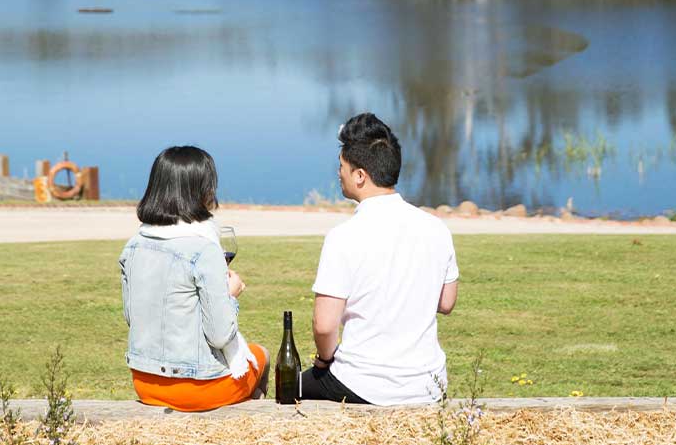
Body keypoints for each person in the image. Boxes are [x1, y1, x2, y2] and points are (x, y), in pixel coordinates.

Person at [302, 112, 459, 404]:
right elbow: (446, 303)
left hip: (362, 385)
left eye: (342, 168)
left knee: (292, 387)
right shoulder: (437, 228)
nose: (339, 174)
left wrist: (324, 361)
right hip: (427, 384)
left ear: (360, 176)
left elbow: (324, 326)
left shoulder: (343, 237)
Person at [119, 145, 268, 411]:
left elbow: (133, 317)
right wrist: (230, 295)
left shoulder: (133, 245)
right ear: (201, 191)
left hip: (144, 381)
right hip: (196, 386)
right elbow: (220, 336)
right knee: (261, 356)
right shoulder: (203, 248)